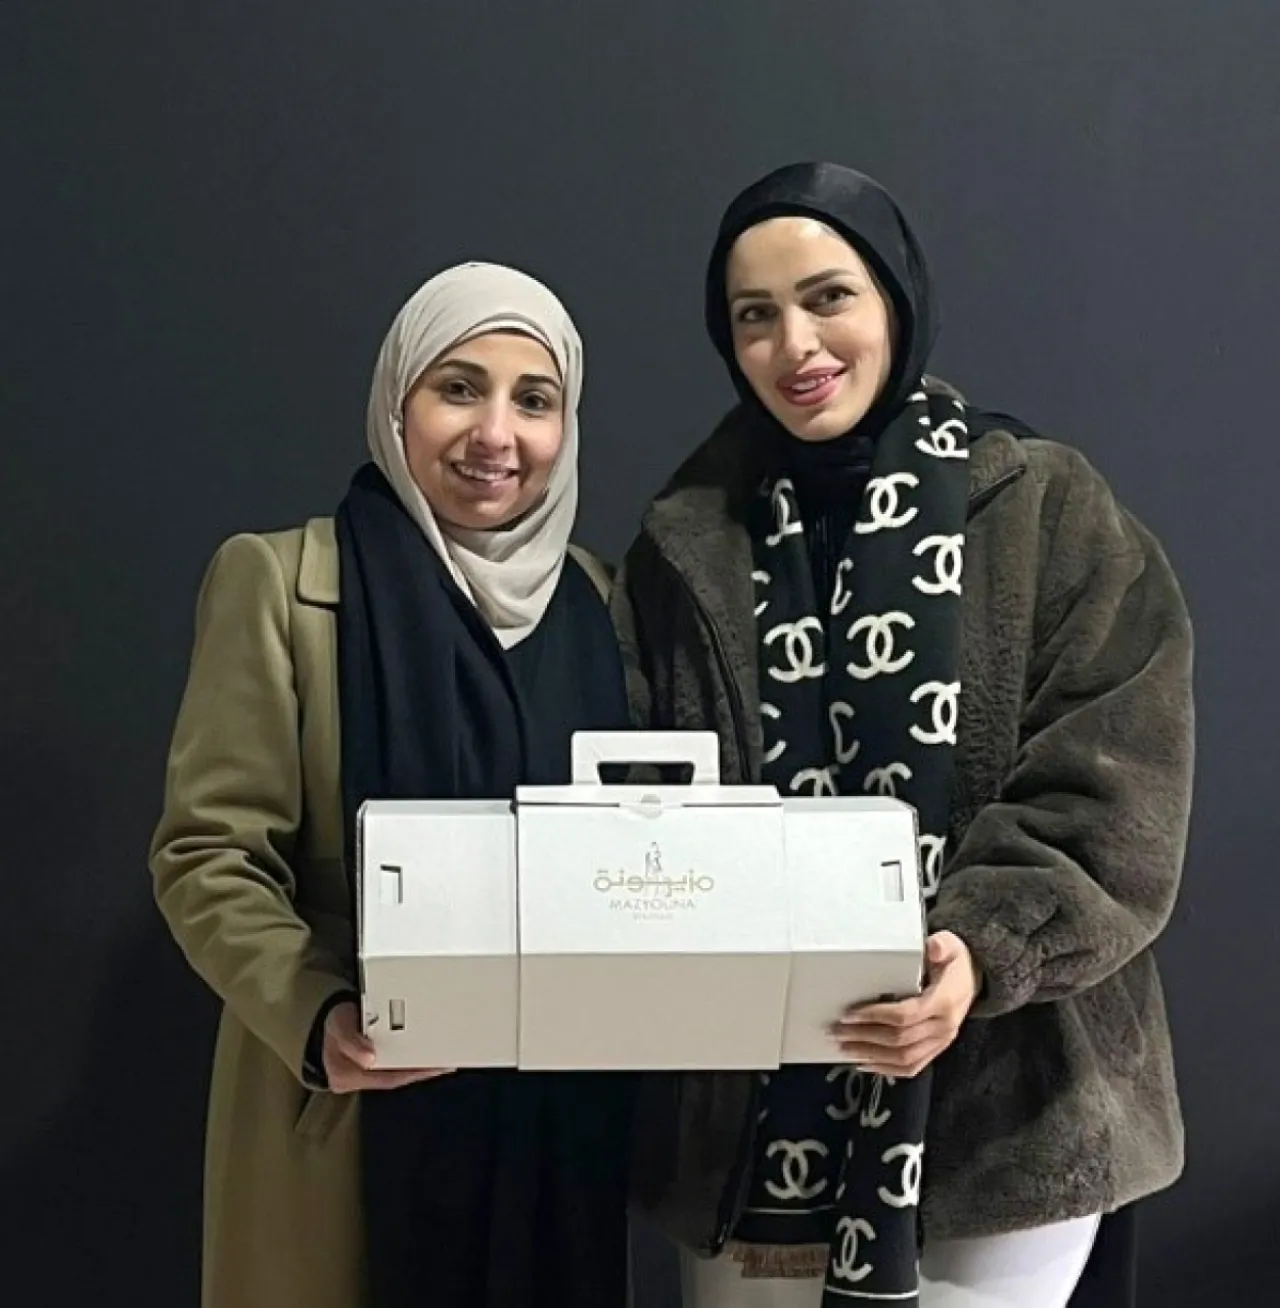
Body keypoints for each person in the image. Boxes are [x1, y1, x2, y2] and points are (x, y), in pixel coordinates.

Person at [613, 163, 1193, 1308]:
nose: (794, 345)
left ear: (892, 298)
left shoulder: (1044, 507)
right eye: (754, 316)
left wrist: (975, 950)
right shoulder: (683, 546)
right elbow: (643, 804)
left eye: (827, 297)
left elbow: (1112, 787)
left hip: (1005, 1113)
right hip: (748, 1124)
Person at [149, 262, 636, 1308]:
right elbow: (207, 855)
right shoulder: (283, 583)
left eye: (534, 400)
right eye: (458, 388)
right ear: (396, 401)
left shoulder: (599, 603)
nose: (495, 434)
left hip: (553, 1124)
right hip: (353, 1104)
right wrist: (318, 1016)